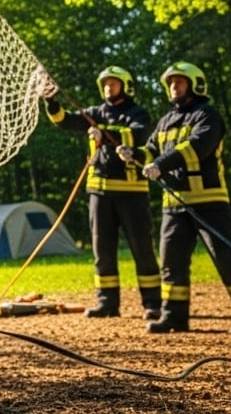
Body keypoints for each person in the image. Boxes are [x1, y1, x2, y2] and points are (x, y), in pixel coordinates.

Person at [117, 61, 231, 334]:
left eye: (180, 82)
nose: (174, 87)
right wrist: (135, 154)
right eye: (171, 83)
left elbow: (198, 146)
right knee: (171, 262)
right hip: (174, 205)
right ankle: (174, 316)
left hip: (208, 201)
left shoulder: (207, 115)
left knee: (225, 257)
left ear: (195, 85)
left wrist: (161, 163)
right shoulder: (164, 121)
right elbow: (150, 151)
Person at [41, 66, 161, 319]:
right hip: (99, 193)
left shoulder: (136, 113)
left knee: (142, 249)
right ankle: (107, 303)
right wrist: (51, 101)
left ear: (125, 86)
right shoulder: (95, 112)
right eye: (105, 84)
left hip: (132, 193)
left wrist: (105, 135)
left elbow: (137, 135)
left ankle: (153, 303)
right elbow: (65, 120)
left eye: (113, 84)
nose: (108, 87)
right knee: (102, 251)